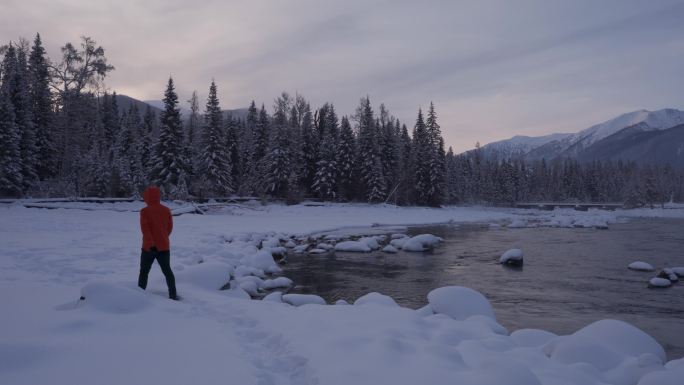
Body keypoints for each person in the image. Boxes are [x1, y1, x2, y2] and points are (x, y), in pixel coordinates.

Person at [138, 185, 178, 300]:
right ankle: (173, 295)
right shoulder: (166, 210)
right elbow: (169, 228)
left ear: (147, 197)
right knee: (167, 272)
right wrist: (163, 238)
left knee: (144, 272)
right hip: (164, 247)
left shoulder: (145, 211)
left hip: (148, 248)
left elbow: (145, 229)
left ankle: (139, 295)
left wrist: (151, 244)